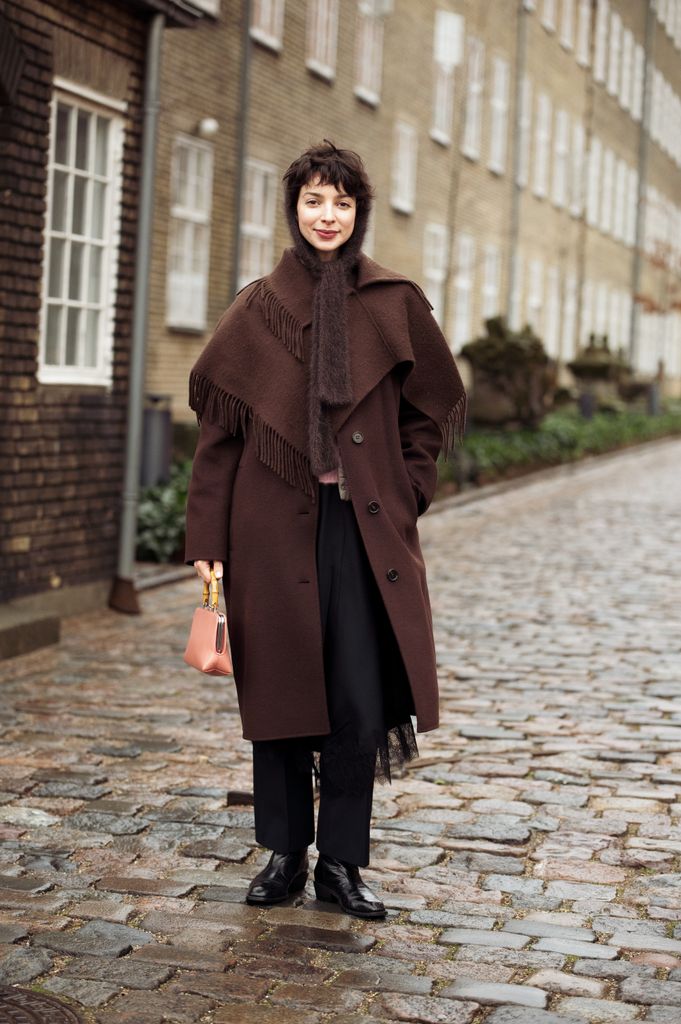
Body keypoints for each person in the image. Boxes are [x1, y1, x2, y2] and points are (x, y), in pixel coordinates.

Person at [184, 139, 467, 919]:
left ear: (358, 212)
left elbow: (429, 410)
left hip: (362, 535)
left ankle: (341, 863)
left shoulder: (393, 301)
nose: (327, 215)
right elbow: (218, 442)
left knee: (354, 697)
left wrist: (407, 488)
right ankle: (283, 855)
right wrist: (209, 554)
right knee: (277, 695)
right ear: (294, 210)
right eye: (314, 200)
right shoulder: (257, 308)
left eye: (341, 202)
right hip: (266, 537)